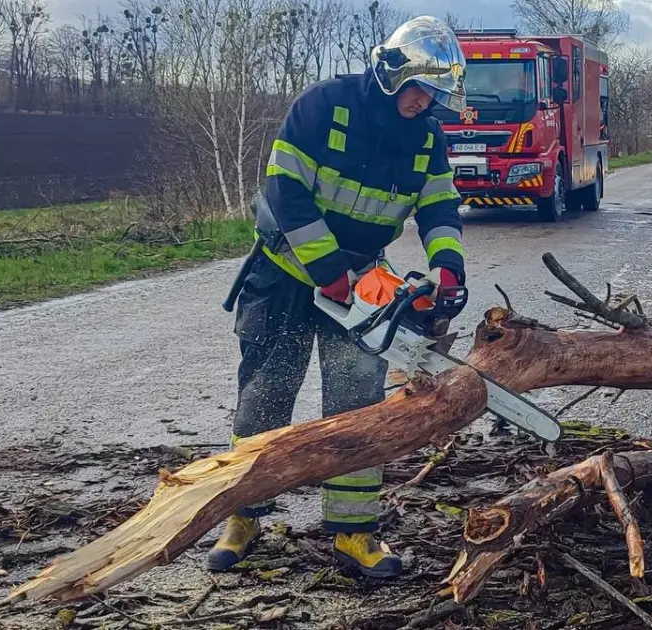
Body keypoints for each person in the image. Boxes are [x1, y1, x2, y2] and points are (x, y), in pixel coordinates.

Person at [207, 15, 469, 580]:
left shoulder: (427, 139)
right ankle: (242, 516)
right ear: (393, 72)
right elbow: (286, 189)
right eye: (419, 88)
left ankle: (354, 531)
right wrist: (326, 268)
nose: (423, 102)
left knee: (356, 403)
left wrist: (447, 266)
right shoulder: (326, 105)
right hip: (285, 276)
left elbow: (440, 208)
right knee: (265, 395)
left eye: (435, 95)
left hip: (363, 282)